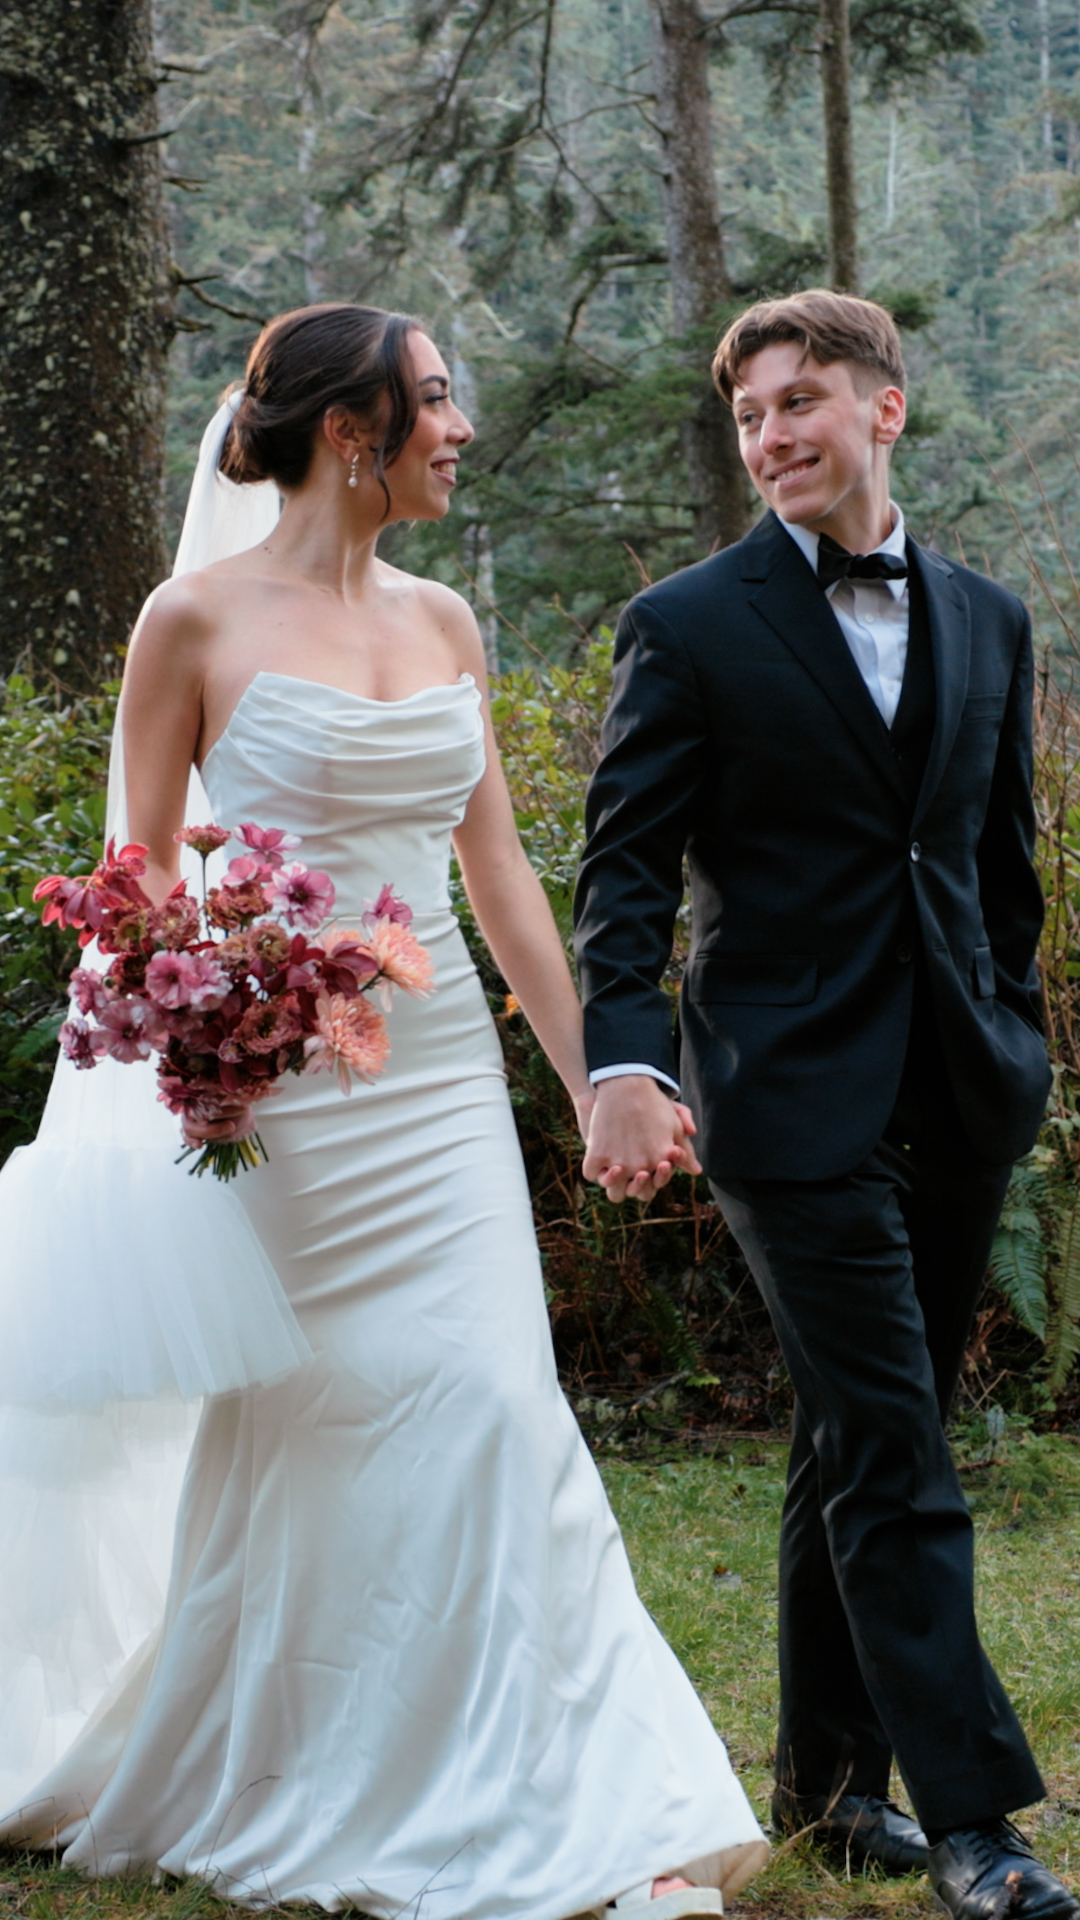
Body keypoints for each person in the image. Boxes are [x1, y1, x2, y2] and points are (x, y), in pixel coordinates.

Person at [0, 303, 769, 1920]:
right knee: (304, 1428)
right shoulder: (189, 623)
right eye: (433, 400)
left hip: (431, 1104)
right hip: (280, 1108)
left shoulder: (445, 622)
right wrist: (200, 1002)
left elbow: (496, 881)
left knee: (492, 1408)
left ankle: (579, 1803)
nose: (458, 426)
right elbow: (136, 887)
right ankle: (286, 1759)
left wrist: (593, 1082)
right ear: (349, 431)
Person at [573, 289, 1078, 1920]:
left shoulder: (994, 619)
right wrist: (634, 1060)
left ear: (886, 410)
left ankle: (825, 1789)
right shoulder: (692, 623)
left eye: (801, 402)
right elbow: (625, 874)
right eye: (747, 418)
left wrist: (1010, 1030)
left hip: (957, 1089)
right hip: (781, 1097)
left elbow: (999, 870)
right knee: (893, 1443)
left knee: (853, 1444)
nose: (771, 436)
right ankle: (981, 1821)